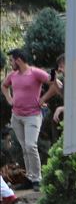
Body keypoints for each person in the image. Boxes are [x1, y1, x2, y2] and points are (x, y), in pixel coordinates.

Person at [2, 48, 50, 190]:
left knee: (30, 146)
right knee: (24, 148)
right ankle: (29, 178)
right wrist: (9, 98)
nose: (10, 63)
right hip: (17, 117)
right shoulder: (13, 75)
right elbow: (4, 86)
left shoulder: (35, 73)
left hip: (32, 116)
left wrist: (43, 98)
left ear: (18, 60)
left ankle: (37, 179)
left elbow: (54, 81)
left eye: (11, 60)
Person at [40, 53, 76, 123]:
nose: (59, 69)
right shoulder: (67, 79)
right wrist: (54, 81)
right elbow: (63, 95)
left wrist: (61, 109)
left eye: (61, 66)